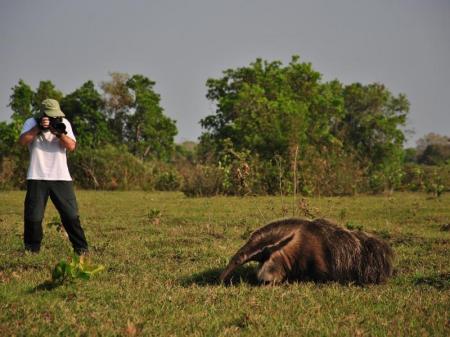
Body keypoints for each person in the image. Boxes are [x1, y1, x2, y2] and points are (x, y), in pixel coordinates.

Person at [18, 98, 88, 255]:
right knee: (33, 217)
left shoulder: (64, 123)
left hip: (61, 176)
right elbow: (22, 141)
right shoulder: (31, 122)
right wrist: (38, 128)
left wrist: (58, 133)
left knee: (70, 215)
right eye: (49, 116)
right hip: (37, 176)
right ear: (42, 113)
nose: (52, 118)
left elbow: (71, 146)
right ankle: (32, 250)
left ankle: (81, 249)